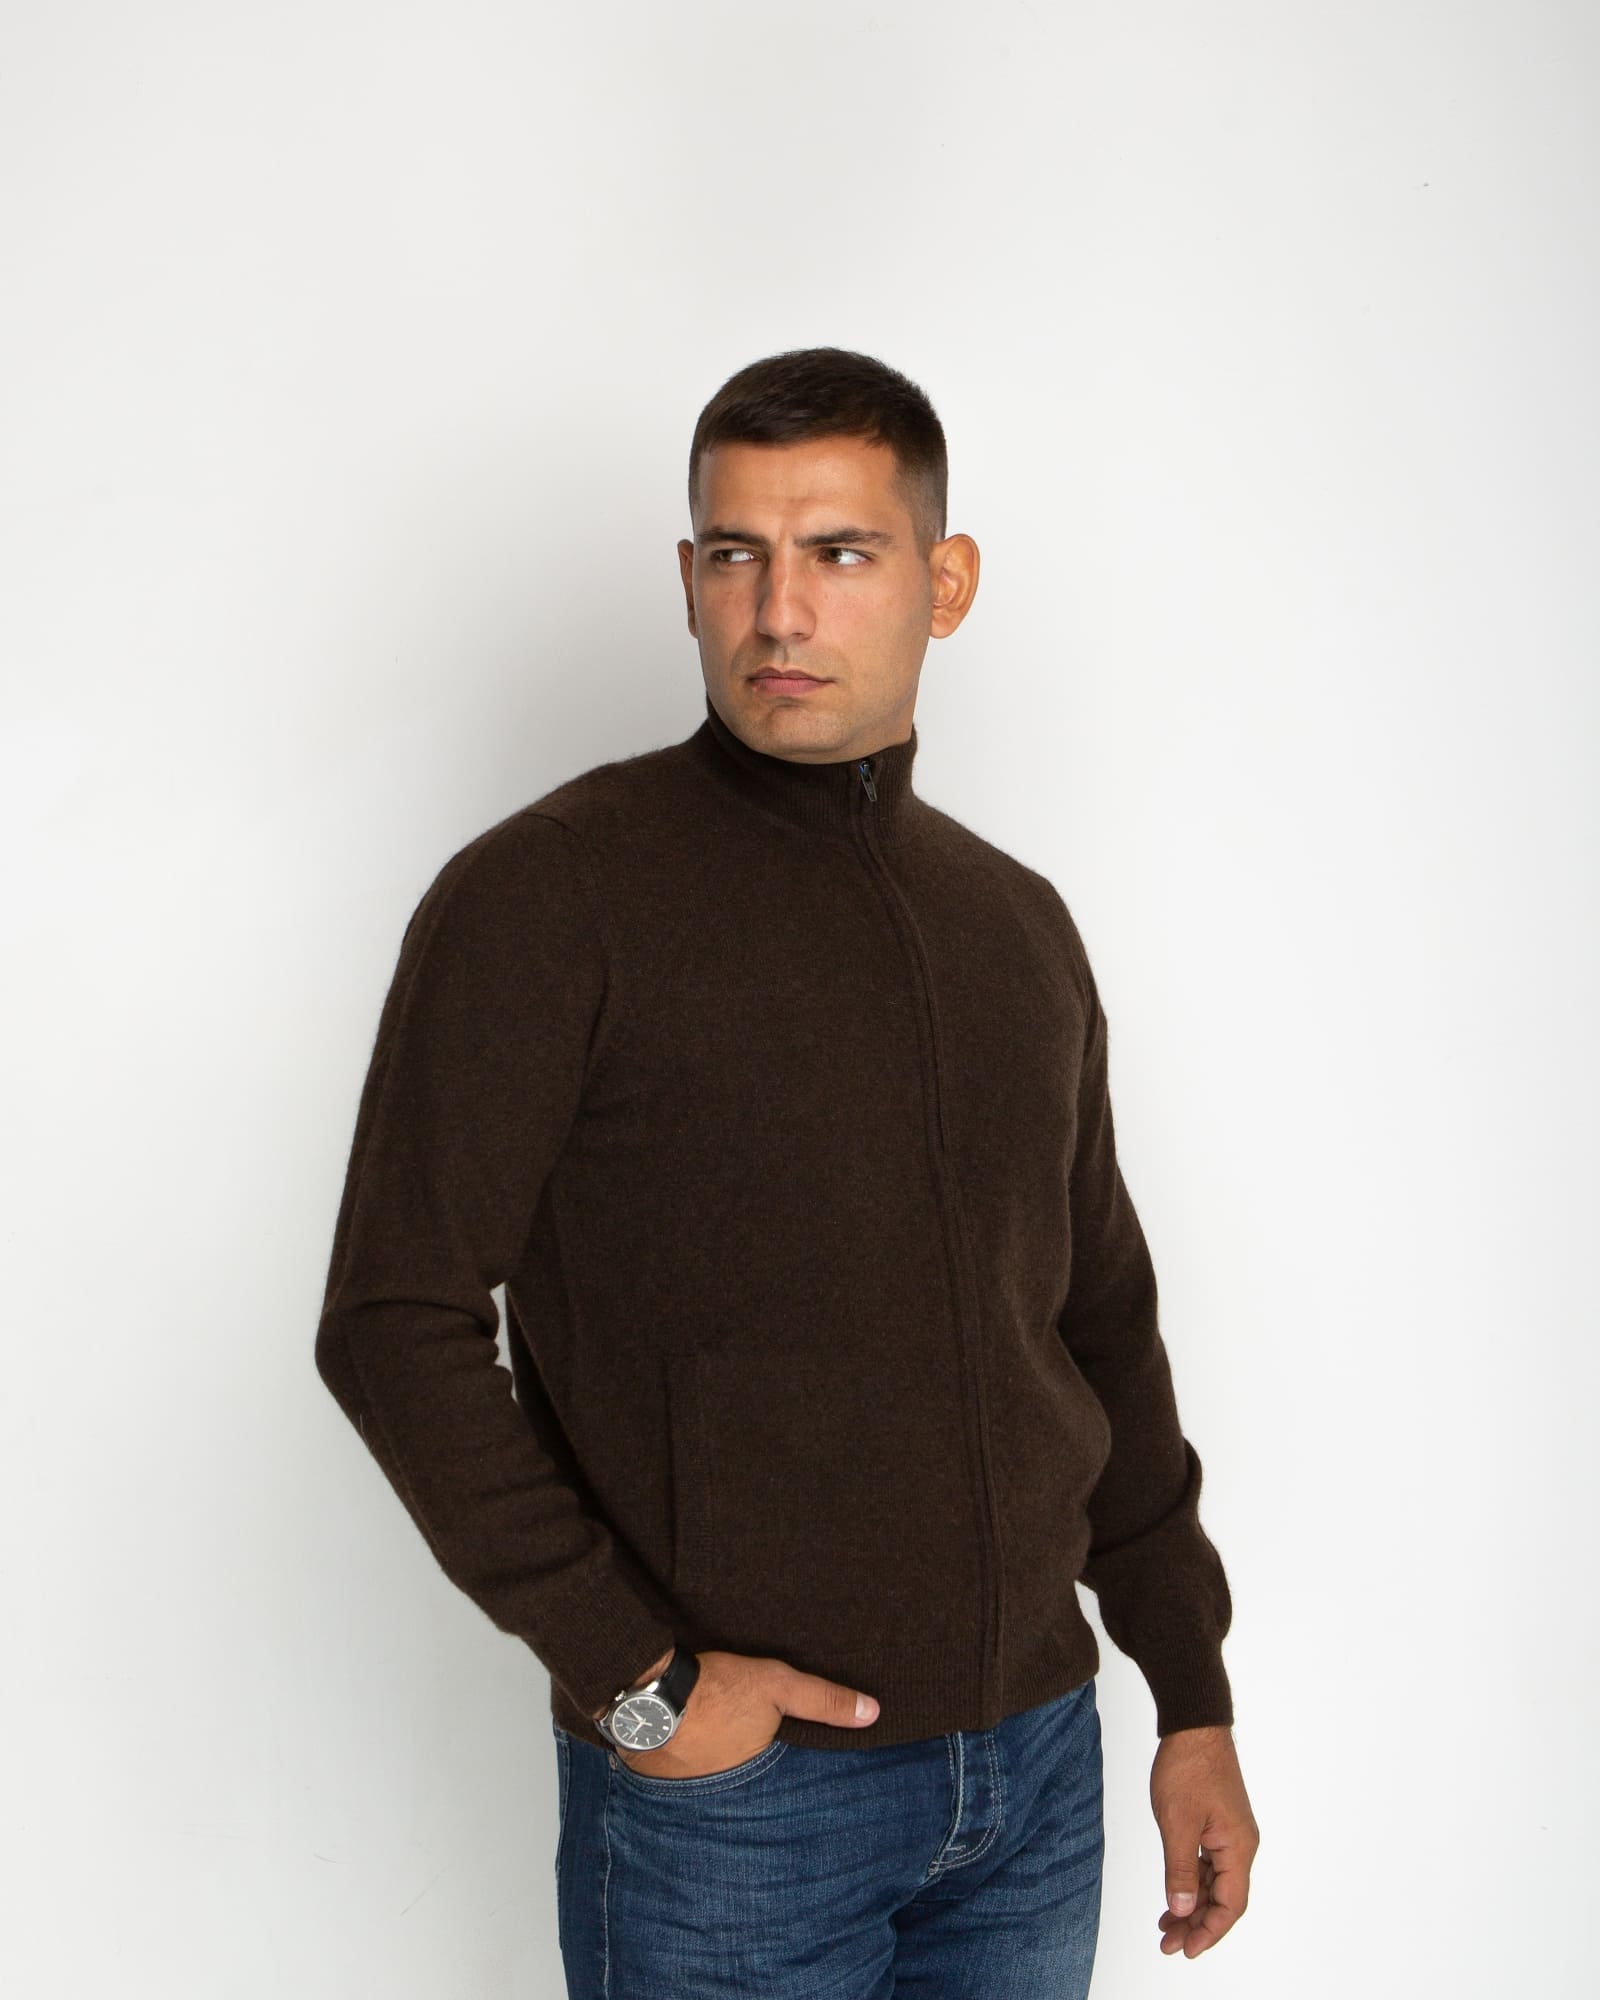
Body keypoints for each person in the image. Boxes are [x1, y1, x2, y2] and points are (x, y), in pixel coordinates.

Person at [315, 345, 1259, 1996]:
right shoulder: (552, 897)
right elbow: (392, 1318)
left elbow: (1098, 1321)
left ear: (944, 583)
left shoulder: (1016, 925)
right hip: (741, 1806)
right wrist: (638, 1680)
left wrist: (1190, 1693)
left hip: (1037, 1771)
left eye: (841, 551)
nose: (780, 612)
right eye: (736, 555)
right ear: (687, 578)